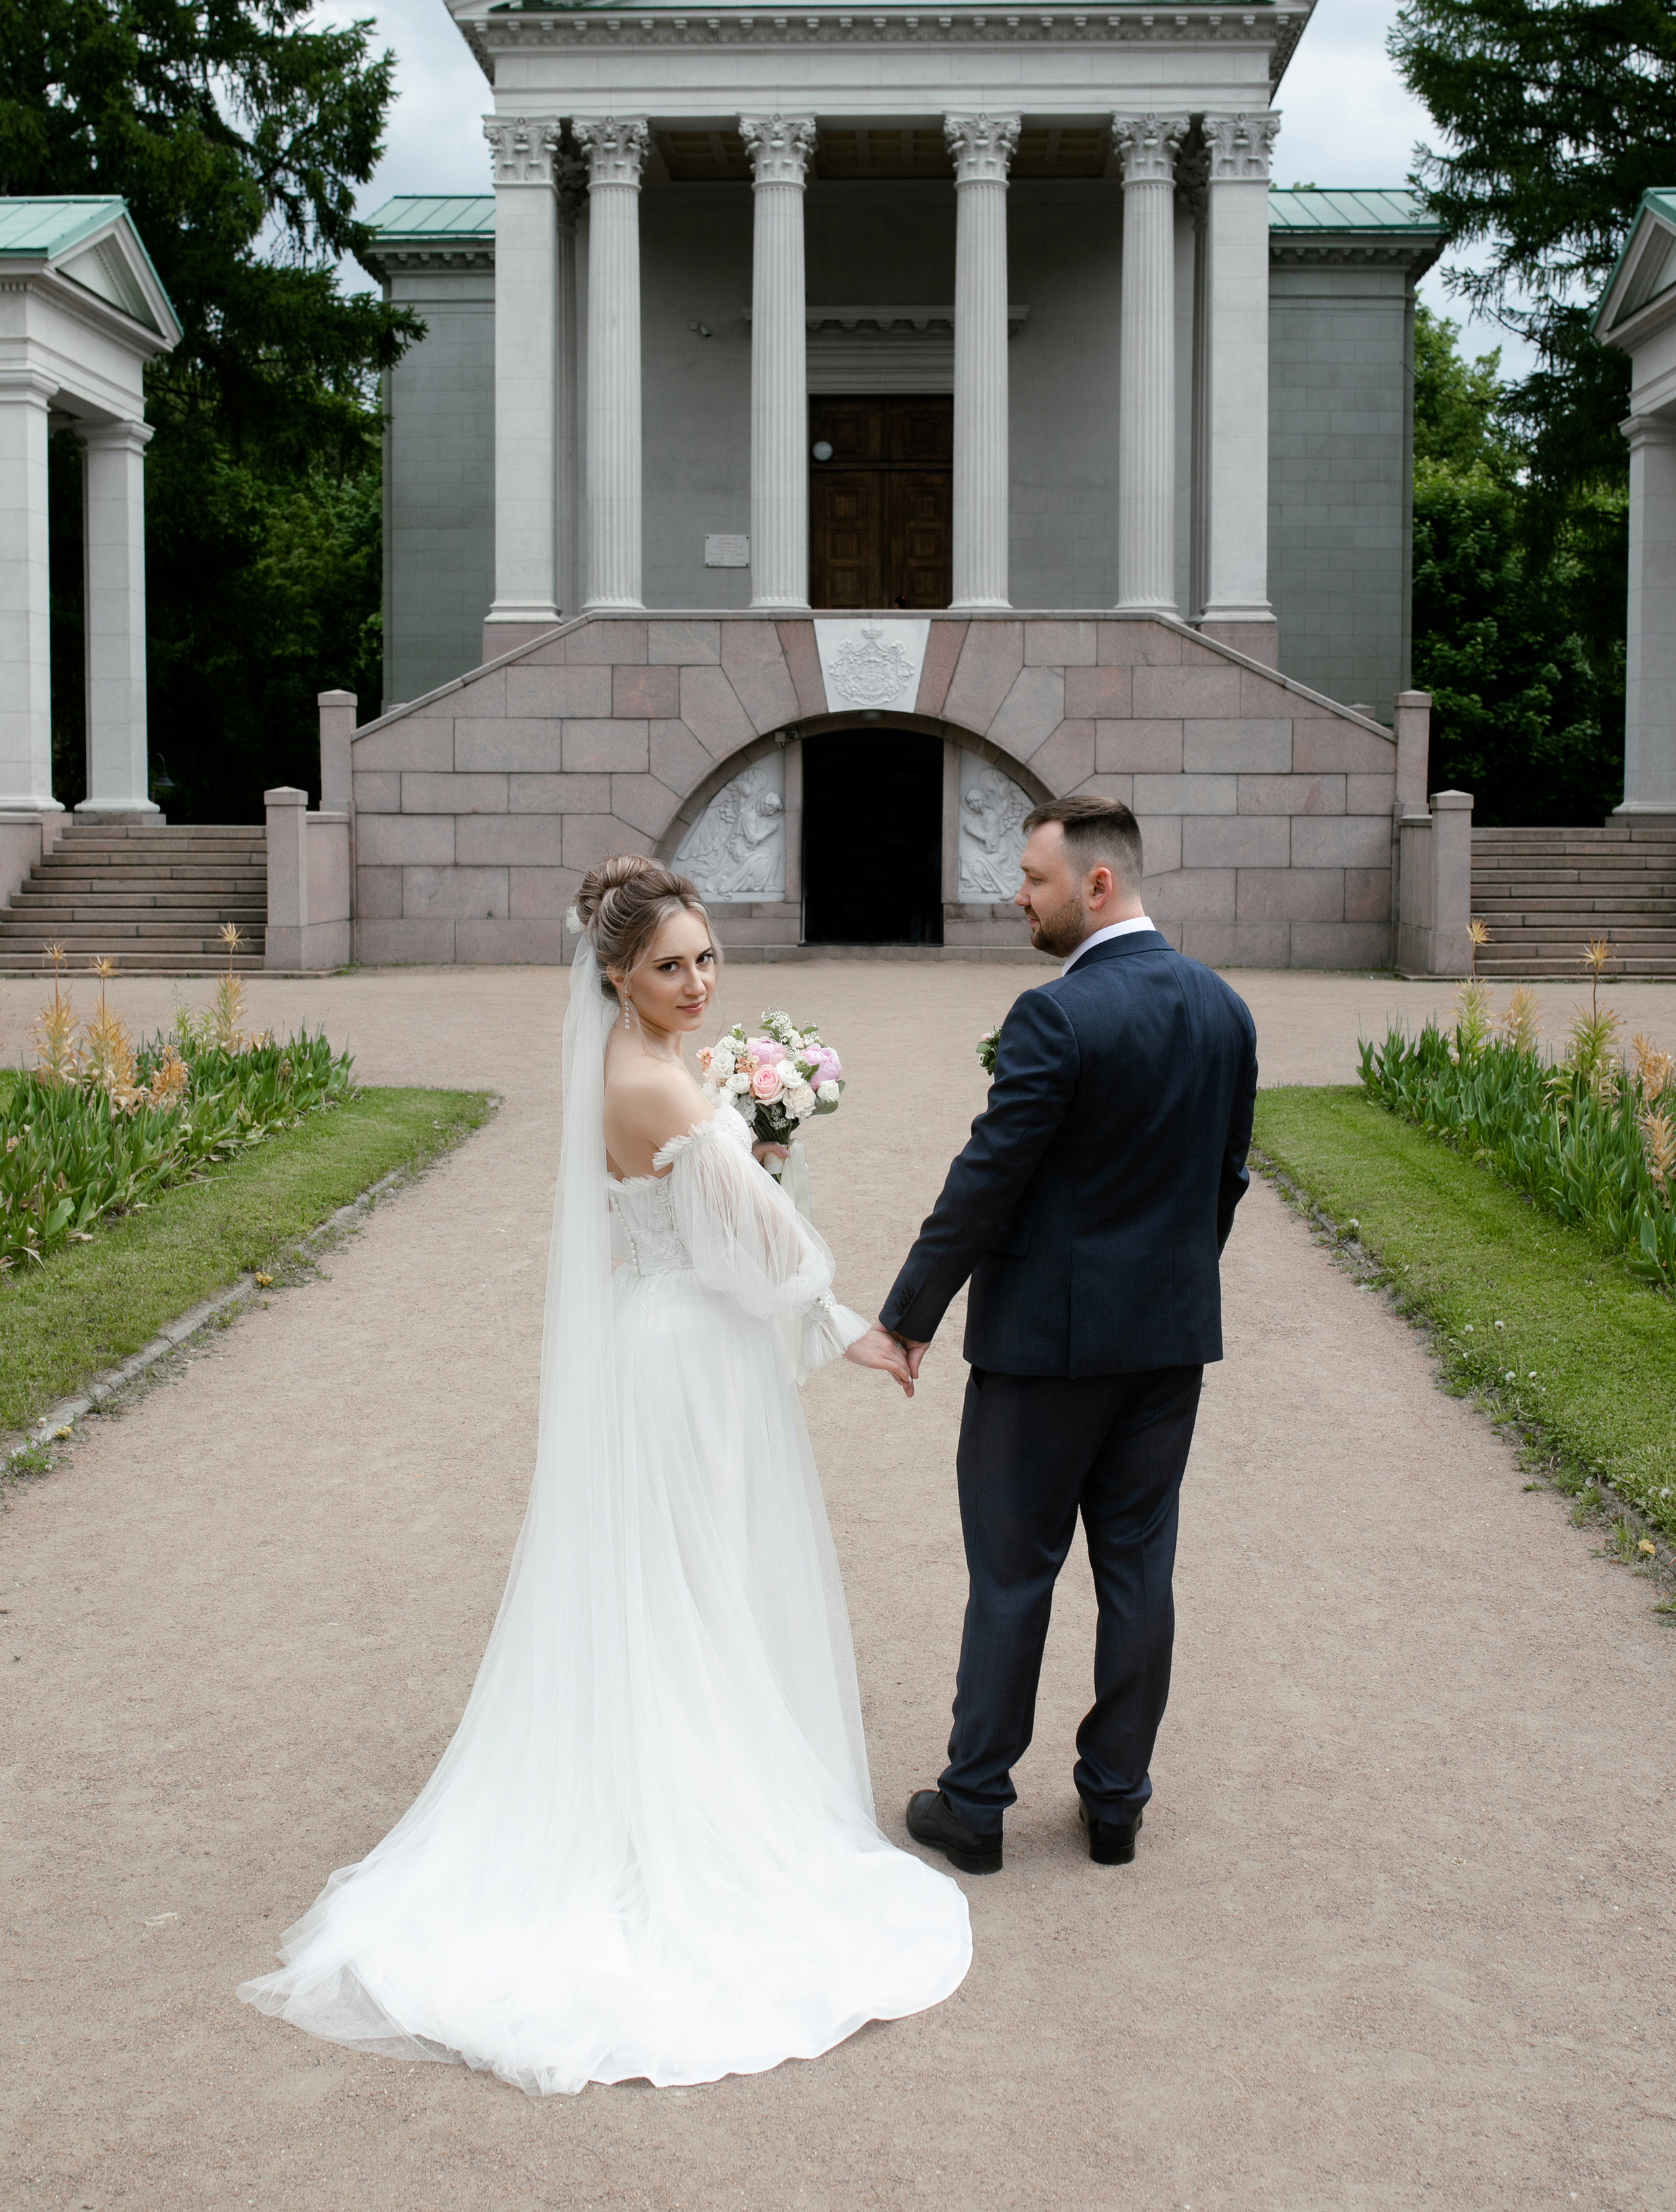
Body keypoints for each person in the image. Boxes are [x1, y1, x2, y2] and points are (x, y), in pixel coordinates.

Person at [240, 854, 971, 2094]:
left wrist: (761, 1148)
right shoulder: (660, 1093)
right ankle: (695, 1817)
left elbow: (726, 1230)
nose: (699, 982)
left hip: (675, 1344)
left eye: (706, 958)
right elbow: (766, 1250)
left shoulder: (652, 1068)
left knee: (681, 1582)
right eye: (671, 967)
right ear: (620, 981)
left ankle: (672, 1774)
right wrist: (847, 1318)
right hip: (689, 1359)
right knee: (690, 1589)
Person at [869, 794, 1257, 1878]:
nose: (1018, 897)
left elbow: (987, 1181)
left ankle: (977, 1805)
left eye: (1034, 879)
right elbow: (1223, 1181)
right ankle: (1117, 1805)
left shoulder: (1057, 1014)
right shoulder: (1225, 1009)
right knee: (1138, 1570)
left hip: (1044, 1353)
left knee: (1012, 1576)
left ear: (1098, 884)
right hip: (1168, 1343)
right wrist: (1165, 1286)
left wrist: (908, 1316)